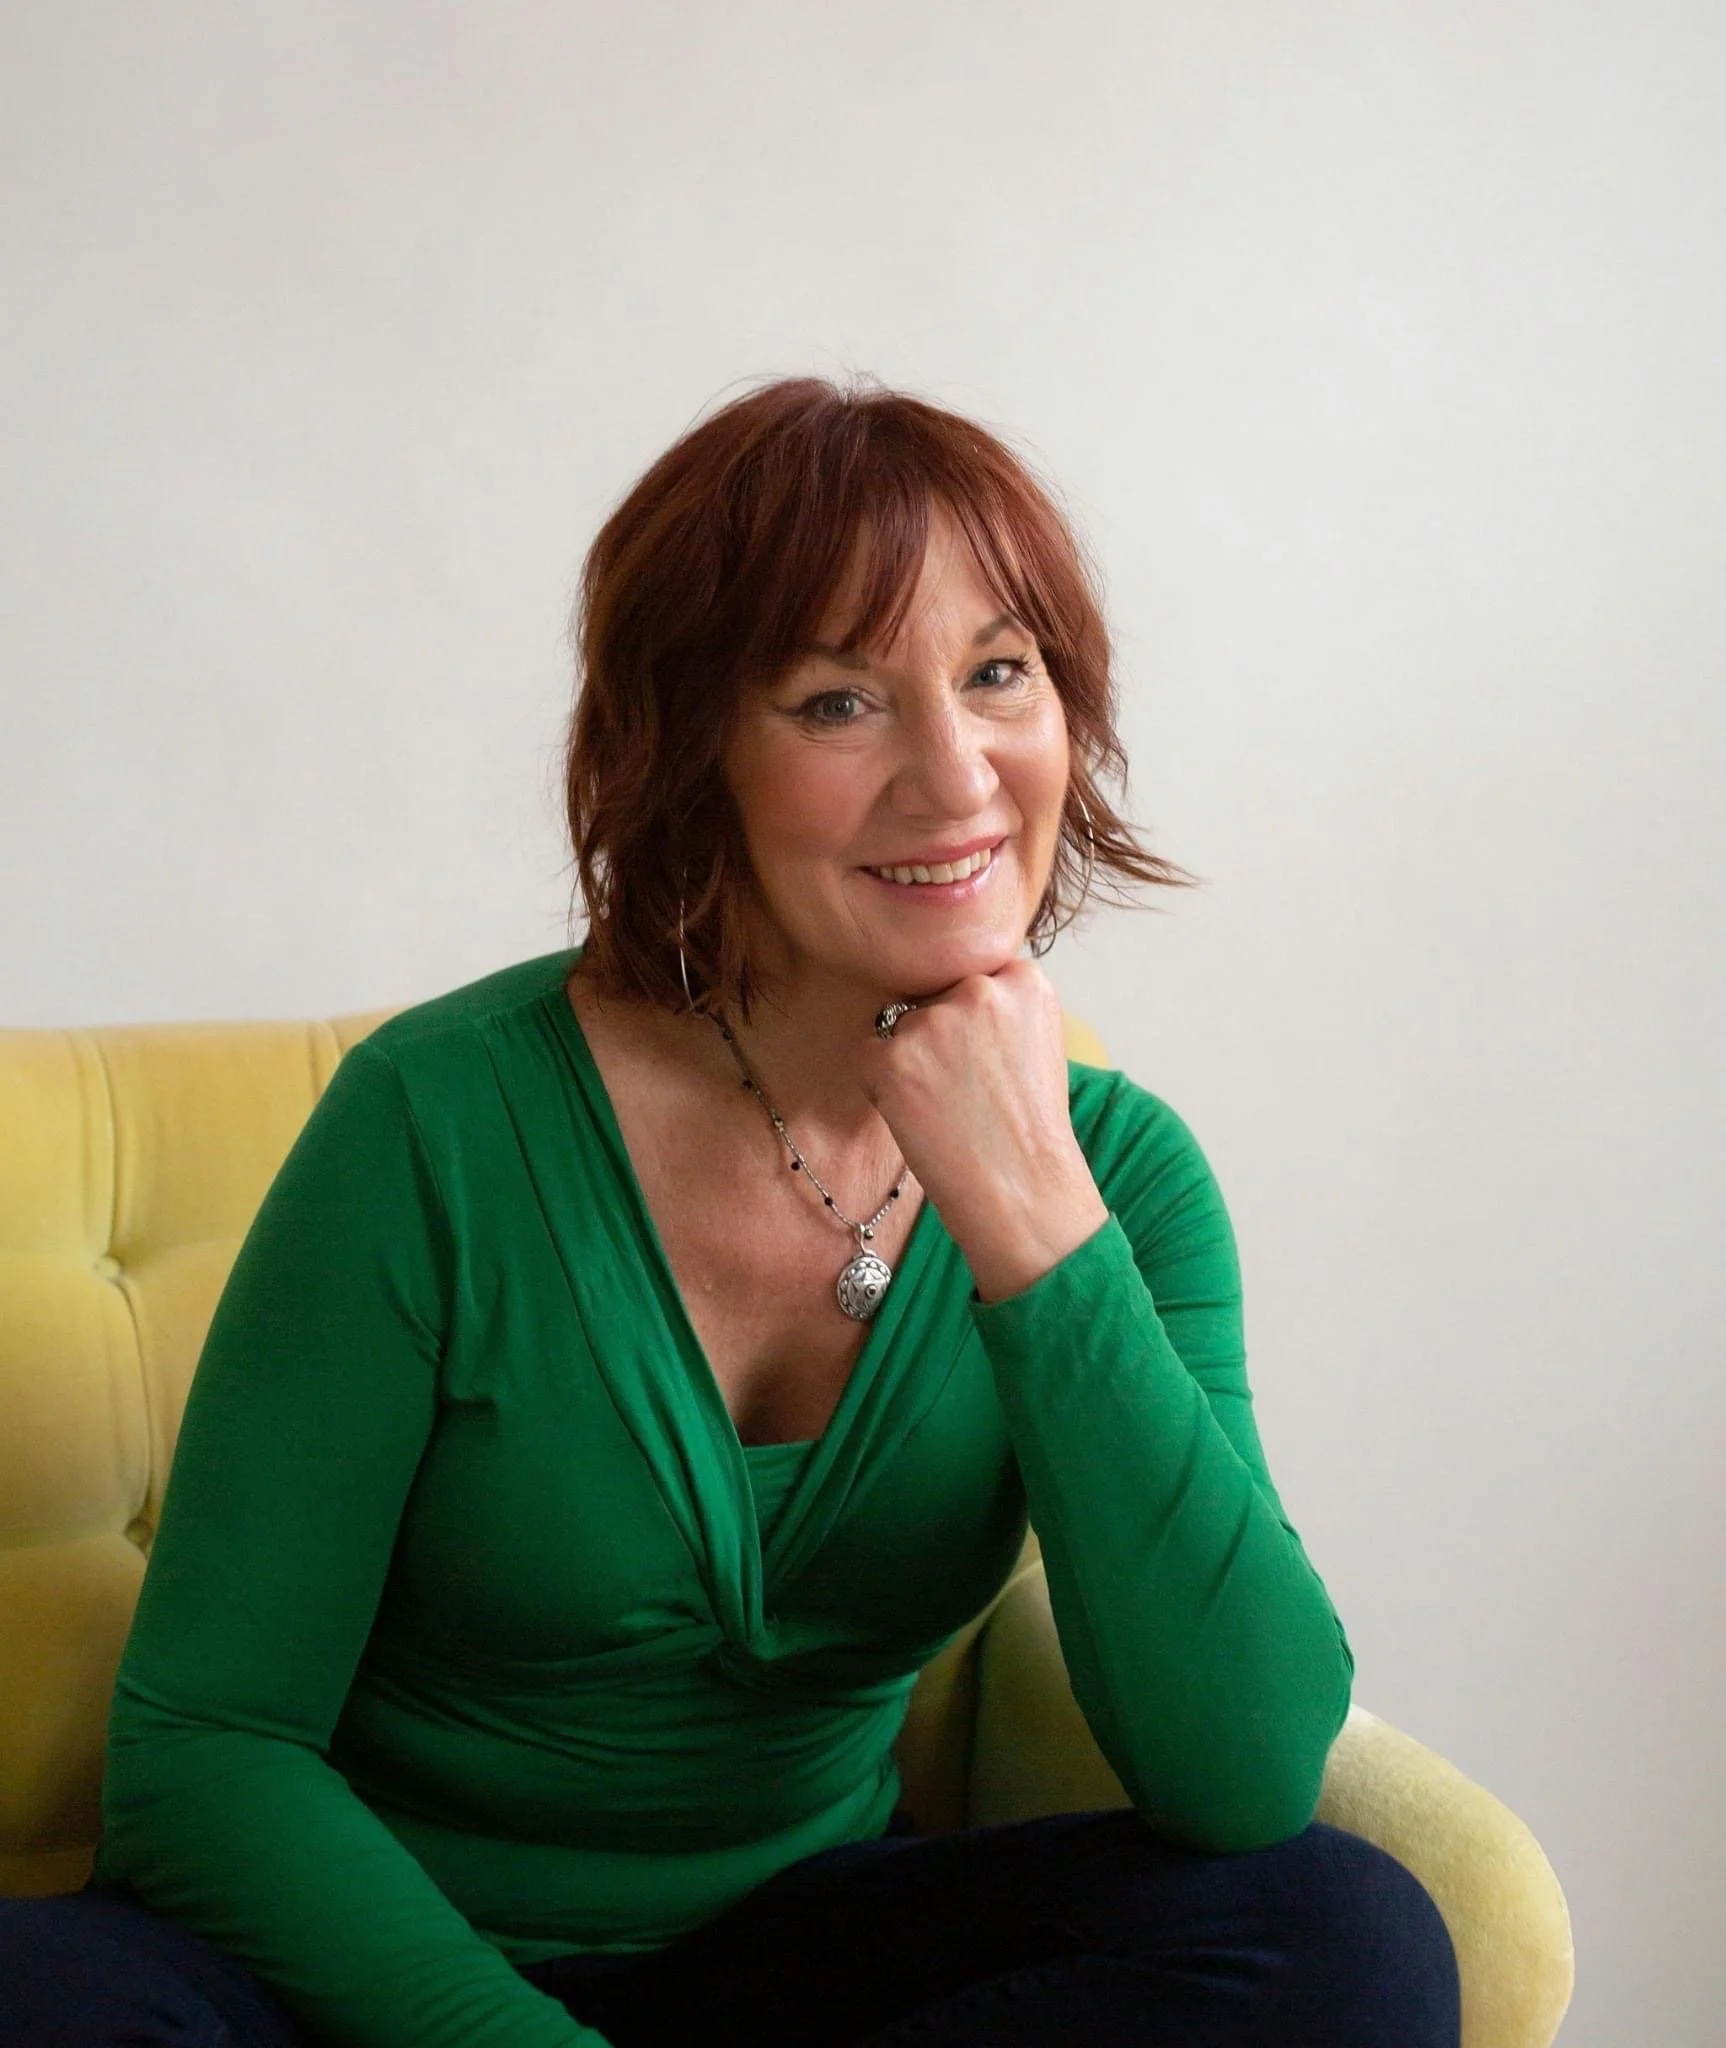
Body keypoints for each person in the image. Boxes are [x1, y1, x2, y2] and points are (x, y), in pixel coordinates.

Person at [0, 377, 1460, 2046]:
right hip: (353, 1966)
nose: (954, 772)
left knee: (1338, 1936)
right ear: (691, 752)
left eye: (999, 674)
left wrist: (1032, 1218)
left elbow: (1244, 1768)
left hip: (793, 1959)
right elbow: (207, 1752)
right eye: (840, 702)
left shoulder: (1116, 1174)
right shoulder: (438, 1124)